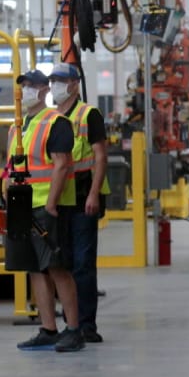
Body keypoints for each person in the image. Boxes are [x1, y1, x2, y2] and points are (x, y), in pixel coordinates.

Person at [16, 71, 85, 352]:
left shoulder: (56, 122)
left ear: (44, 90)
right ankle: (48, 328)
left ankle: (73, 329)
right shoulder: (18, 126)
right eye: (22, 86)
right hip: (23, 207)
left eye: (31, 86)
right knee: (35, 270)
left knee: (57, 269)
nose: (25, 91)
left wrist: (51, 204)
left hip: (47, 207)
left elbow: (61, 164)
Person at [51, 62, 108, 343]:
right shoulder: (52, 117)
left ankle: (86, 325)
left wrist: (94, 193)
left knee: (83, 263)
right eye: (52, 80)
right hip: (61, 197)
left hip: (84, 194)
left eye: (60, 80)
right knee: (65, 261)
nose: (54, 85)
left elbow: (100, 156)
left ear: (74, 84)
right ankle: (70, 322)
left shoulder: (89, 115)